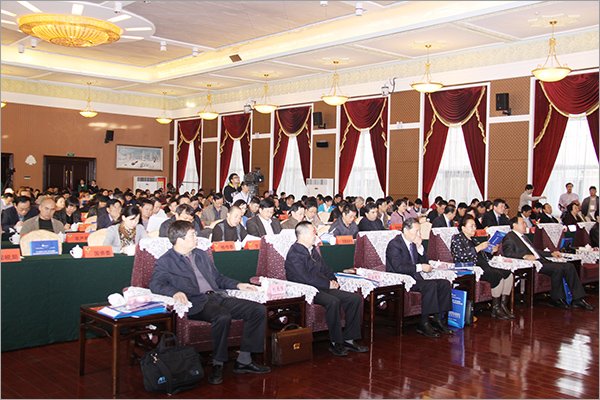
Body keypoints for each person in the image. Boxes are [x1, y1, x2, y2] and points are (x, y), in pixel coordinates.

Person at [150, 220, 270, 384]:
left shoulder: (200, 255)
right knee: (222, 316)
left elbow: (218, 278)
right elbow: (156, 284)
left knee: (258, 310)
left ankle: (244, 360)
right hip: (196, 303)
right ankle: (218, 364)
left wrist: (238, 285)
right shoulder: (166, 261)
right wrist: (175, 292)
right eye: (192, 235)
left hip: (217, 296)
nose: (196, 238)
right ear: (179, 240)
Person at [285, 221, 368, 356]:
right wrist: (327, 284)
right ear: (303, 235)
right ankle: (336, 342)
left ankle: (349, 339)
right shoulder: (294, 253)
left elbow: (325, 269)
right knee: (333, 302)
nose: (315, 236)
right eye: (313, 233)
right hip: (307, 290)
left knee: (354, 299)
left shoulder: (312, 250)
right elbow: (305, 278)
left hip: (322, 286)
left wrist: (333, 280)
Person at [501, 217, 594, 310]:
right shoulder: (510, 237)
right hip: (531, 264)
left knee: (570, 266)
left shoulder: (524, 237)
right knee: (557, 269)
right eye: (523, 223)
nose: (525, 225)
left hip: (541, 260)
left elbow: (536, 251)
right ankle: (556, 299)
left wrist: (551, 254)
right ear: (514, 225)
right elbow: (508, 253)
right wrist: (525, 256)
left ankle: (578, 299)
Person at [386, 218, 453, 338]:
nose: (418, 234)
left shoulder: (413, 243)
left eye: (419, 231)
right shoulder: (395, 244)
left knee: (445, 283)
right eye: (416, 231)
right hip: (402, 279)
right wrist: (420, 267)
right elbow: (398, 267)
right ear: (406, 230)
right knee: (430, 285)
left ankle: (437, 319)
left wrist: (419, 247)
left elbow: (425, 262)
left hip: (416, 278)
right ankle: (424, 323)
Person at [451, 215, 514, 319]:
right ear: (463, 227)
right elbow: (459, 256)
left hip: (484, 266)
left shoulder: (474, 240)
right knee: (496, 275)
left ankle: (503, 305)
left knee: (508, 274)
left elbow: (485, 257)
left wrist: (491, 251)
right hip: (472, 268)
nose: (474, 228)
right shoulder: (457, 238)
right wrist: (478, 247)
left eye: (475, 226)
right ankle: (495, 308)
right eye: (471, 226)